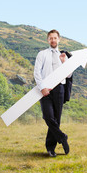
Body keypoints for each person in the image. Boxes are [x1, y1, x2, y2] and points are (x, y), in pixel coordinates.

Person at [34, 29, 70, 157]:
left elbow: (69, 74)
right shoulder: (42, 54)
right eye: (51, 38)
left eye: (55, 38)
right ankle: (62, 137)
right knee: (48, 117)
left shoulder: (64, 56)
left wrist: (64, 62)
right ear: (47, 40)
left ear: (59, 39)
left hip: (59, 89)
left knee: (56, 119)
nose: (53, 40)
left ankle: (51, 148)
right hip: (46, 90)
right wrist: (42, 87)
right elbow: (36, 72)